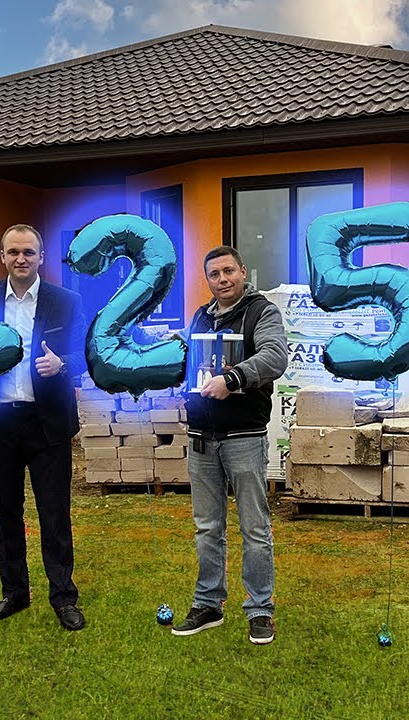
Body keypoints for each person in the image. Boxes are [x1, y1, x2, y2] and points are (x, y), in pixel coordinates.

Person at [0, 223, 89, 631]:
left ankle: (63, 596)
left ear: (41, 257)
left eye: (29, 252)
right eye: (13, 252)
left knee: (55, 514)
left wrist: (62, 364)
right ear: (2, 256)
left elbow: (87, 354)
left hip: (47, 423)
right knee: (6, 514)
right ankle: (14, 593)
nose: (21, 259)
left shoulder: (65, 301)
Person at [167, 246, 288, 645]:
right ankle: (208, 604)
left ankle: (260, 610)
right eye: (214, 274)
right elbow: (188, 360)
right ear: (208, 280)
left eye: (228, 271)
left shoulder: (262, 312)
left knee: (254, 528)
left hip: (244, 438)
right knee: (207, 528)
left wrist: (232, 379)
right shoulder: (200, 317)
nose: (222, 280)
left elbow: (274, 357)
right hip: (201, 438)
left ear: (243, 271)